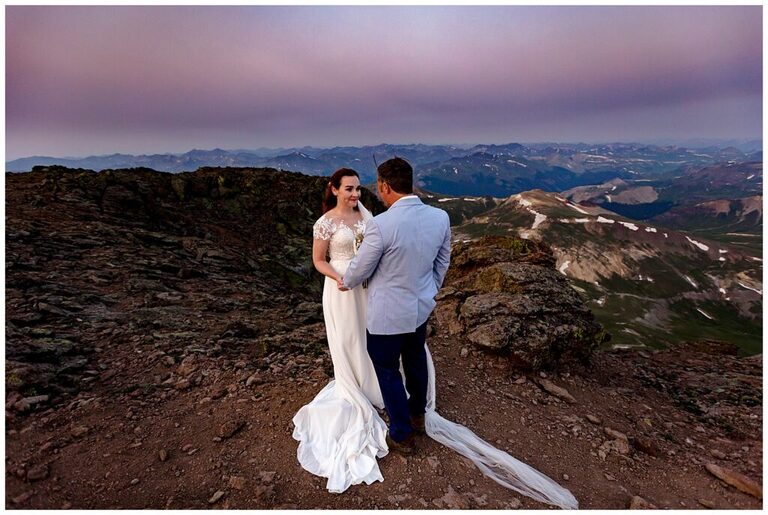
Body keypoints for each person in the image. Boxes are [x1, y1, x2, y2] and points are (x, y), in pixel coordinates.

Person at [294, 161, 578, 509]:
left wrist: (347, 280)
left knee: (386, 367)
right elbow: (442, 261)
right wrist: (429, 291)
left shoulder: (380, 225)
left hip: (386, 312)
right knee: (414, 358)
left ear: (384, 187)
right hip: (419, 308)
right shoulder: (439, 217)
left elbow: (361, 270)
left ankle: (402, 434)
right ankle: (418, 414)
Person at [292, 168, 389, 493]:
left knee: (368, 334)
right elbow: (319, 260)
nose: (355, 194)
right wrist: (339, 277)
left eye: (358, 189)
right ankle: (354, 383)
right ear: (334, 189)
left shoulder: (365, 214)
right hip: (341, 288)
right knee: (348, 337)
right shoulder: (325, 223)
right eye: (348, 189)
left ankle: (373, 382)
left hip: (366, 286)